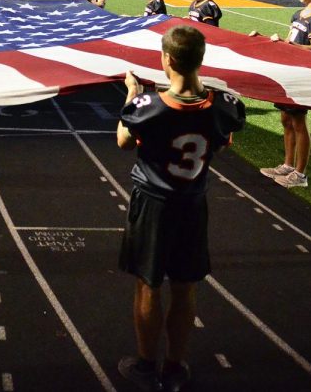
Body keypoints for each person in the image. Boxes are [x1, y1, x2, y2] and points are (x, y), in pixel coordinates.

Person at [116, 25, 244, 392]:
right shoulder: (225, 105)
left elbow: (124, 141)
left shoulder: (146, 108)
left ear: (167, 60)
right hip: (192, 202)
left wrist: (131, 96)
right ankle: (174, 367)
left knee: (148, 284)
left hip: (154, 205)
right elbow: (222, 144)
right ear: (201, 59)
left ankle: (145, 363)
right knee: (186, 287)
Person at [254, 0, 311, 189]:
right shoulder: (298, 14)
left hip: (304, 73)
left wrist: (288, 46)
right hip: (289, 72)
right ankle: (288, 165)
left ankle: (300, 173)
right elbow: (289, 41)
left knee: (299, 122)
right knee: (286, 120)